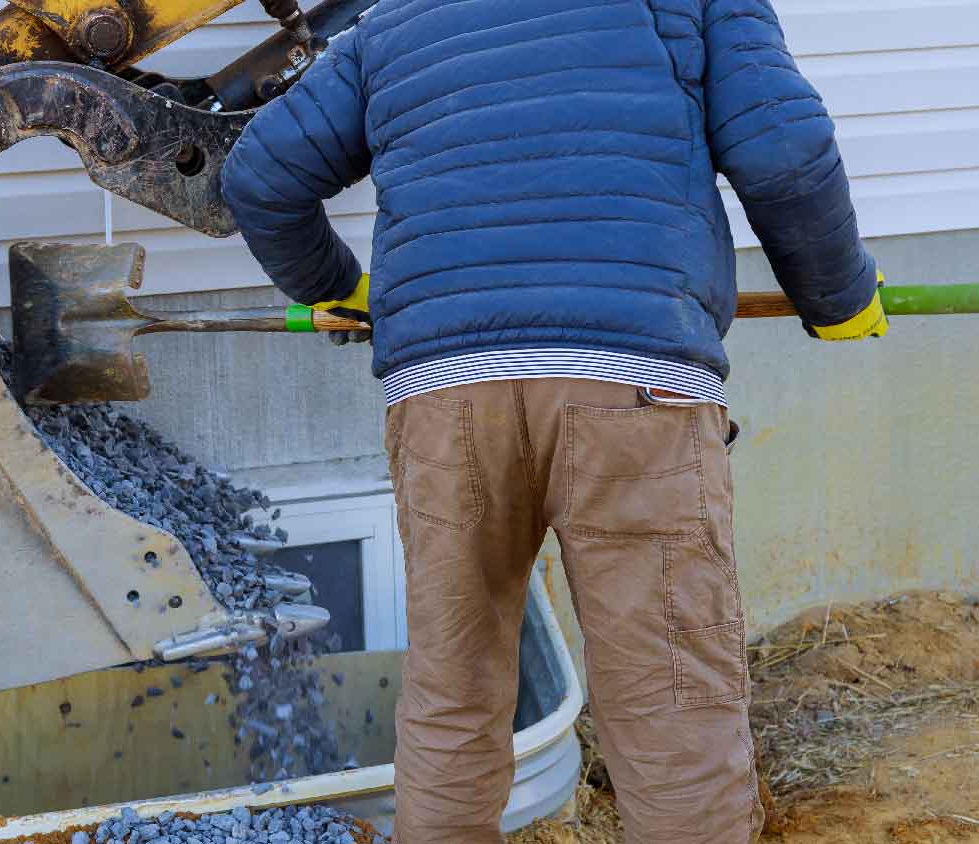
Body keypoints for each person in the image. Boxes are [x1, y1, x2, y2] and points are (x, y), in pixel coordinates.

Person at [221, 1, 886, 840]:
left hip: (445, 395)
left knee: (452, 695)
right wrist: (840, 297)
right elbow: (783, 151)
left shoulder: (396, 20)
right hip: (634, 386)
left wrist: (344, 290)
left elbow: (261, 178)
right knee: (671, 701)